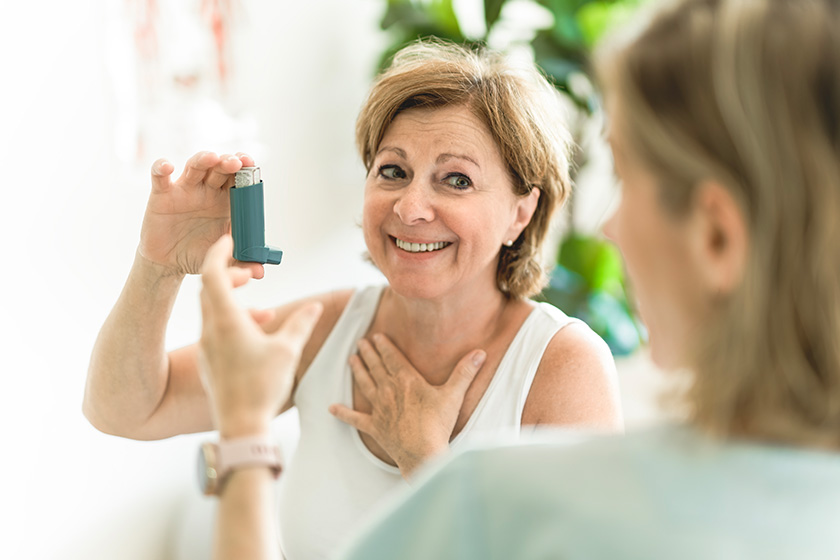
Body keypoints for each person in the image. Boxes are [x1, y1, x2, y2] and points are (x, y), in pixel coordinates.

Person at [334, 0, 840, 558]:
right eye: (393, 171)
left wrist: (245, 449)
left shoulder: (502, 498)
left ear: (716, 237)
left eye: (623, 175)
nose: (607, 226)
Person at [83, 40, 623, 559]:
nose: (411, 207)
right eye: (393, 171)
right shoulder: (323, 330)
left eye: (456, 180)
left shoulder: (563, 367)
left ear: (520, 213)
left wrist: (427, 463)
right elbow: (126, 409)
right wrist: (156, 268)